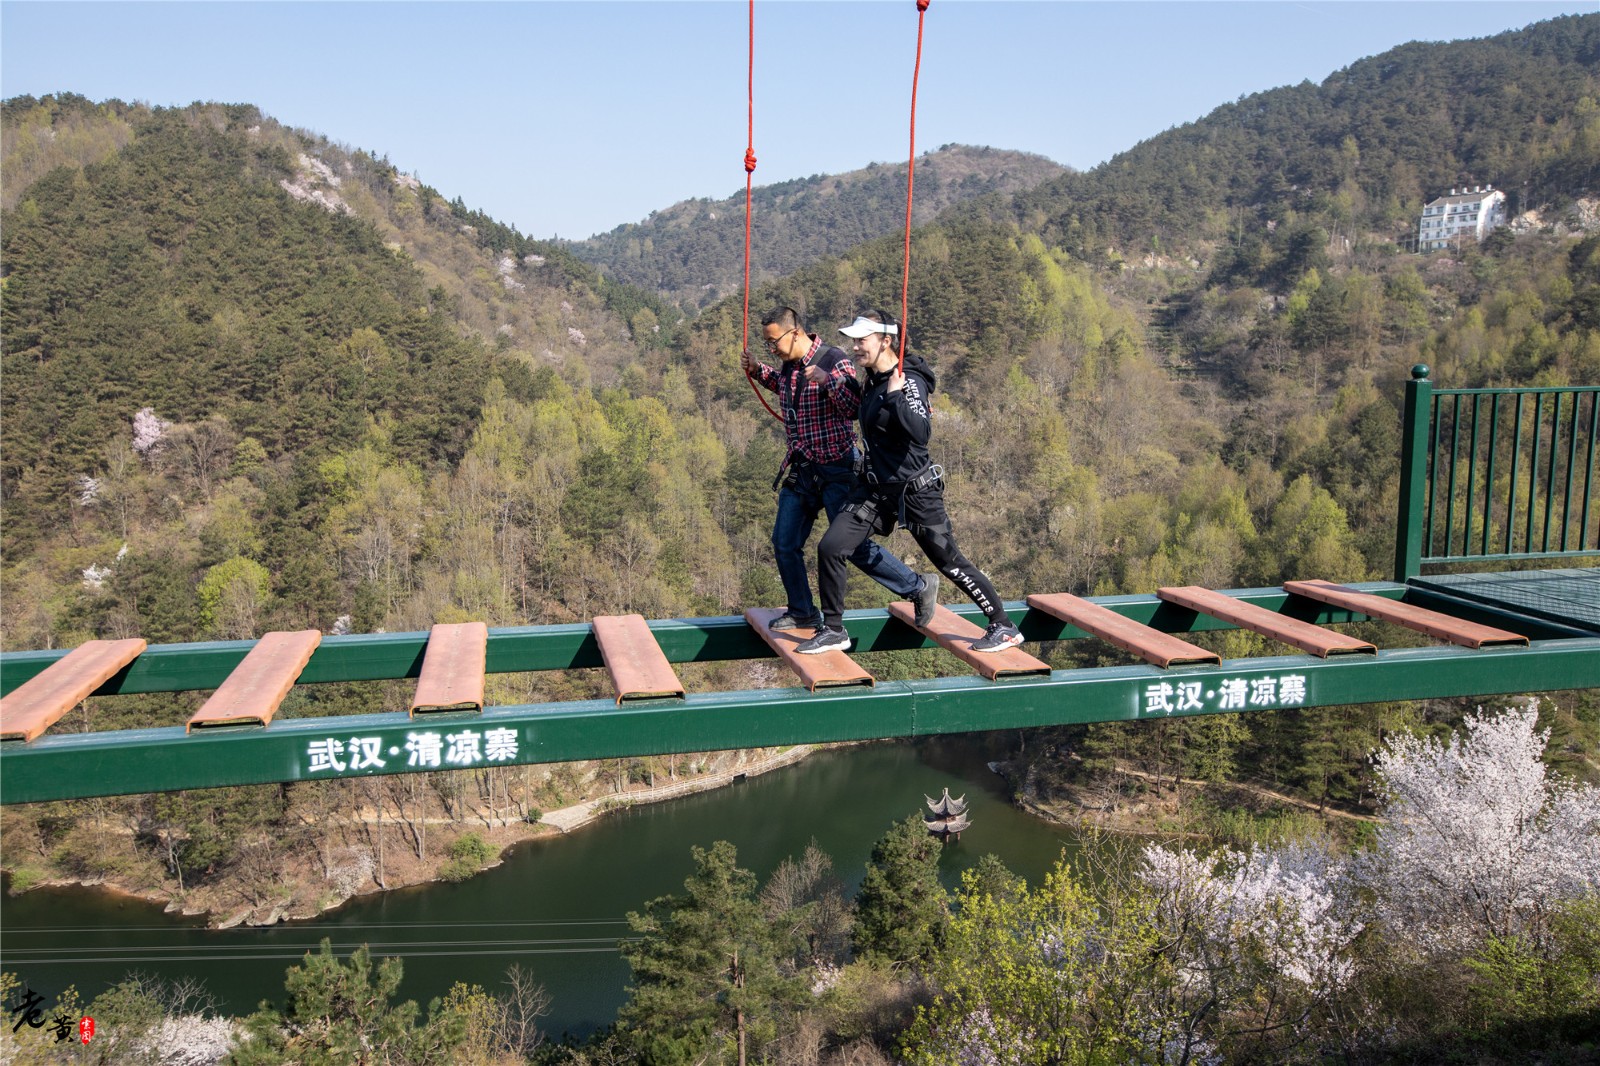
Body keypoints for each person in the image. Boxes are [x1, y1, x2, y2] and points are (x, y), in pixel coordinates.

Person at [796, 310, 1023, 655]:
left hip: (915, 492)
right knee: (831, 546)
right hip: (875, 491)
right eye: (853, 340)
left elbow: (921, 432)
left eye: (862, 340)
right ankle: (833, 629)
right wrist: (832, 380)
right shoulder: (873, 378)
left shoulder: (907, 381)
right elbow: (863, 404)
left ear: (886, 341)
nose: (855, 347)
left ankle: (1003, 626)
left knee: (949, 562)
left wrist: (896, 396)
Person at [742, 305, 939, 632]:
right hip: (803, 467)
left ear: (795, 333)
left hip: (838, 468)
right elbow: (786, 387)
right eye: (768, 345)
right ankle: (803, 610)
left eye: (774, 342)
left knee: (850, 547)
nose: (772, 348)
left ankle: (917, 586)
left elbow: (854, 407)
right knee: (784, 541)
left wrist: (827, 381)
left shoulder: (834, 360)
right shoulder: (790, 366)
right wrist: (758, 370)